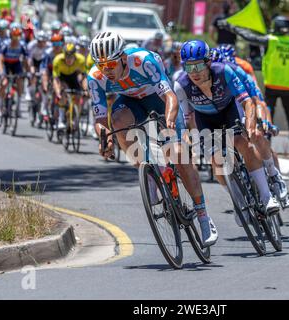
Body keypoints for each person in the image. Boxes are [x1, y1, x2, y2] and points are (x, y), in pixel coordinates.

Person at [87, 32, 218, 246]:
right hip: (131, 102)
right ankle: (147, 171)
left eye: (110, 64)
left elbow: (169, 97)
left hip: (160, 99)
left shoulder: (143, 61)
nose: (106, 70)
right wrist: (105, 140)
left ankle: (203, 216)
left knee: (177, 154)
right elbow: (101, 118)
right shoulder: (95, 77)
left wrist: (169, 123)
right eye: (101, 65)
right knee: (117, 120)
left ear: (121, 58)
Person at [174, 40, 281, 223]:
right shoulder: (181, 85)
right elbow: (188, 119)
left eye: (198, 65)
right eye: (189, 67)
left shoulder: (224, 72)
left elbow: (248, 102)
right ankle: (238, 202)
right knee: (216, 160)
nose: (195, 72)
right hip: (205, 119)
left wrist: (250, 125)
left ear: (208, 62)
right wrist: (193, 140)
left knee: (242, 142)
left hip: (229, 110)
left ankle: (266, 196)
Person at [219, 15, 289, 154]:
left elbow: (249, 37)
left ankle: (267, 141)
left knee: (267, 113)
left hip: (272, 85)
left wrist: (231, 27)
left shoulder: (272, 41)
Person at [52, 41, 88, 129]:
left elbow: (84, 77)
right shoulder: (57, 60)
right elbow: (55, 79)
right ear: (63, 54)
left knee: (78, 97)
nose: (68, 59)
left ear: (74, 55)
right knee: (63, 94)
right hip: (62, 77)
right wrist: (58, 92)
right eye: (67, 56)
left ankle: (75, 120)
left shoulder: (81, 59)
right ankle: (60, 120)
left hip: (73, 76)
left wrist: (86, 90)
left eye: (71, 56)